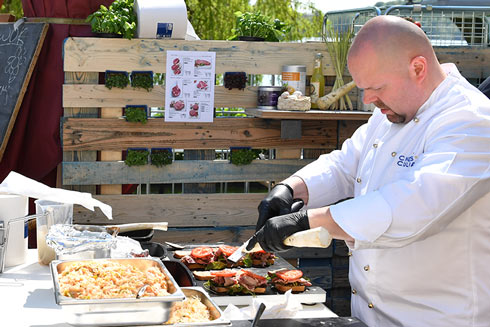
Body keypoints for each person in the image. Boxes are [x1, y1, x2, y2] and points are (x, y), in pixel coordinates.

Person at [247, 16, 490, 327]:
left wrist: (307, 221)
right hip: (369, 316)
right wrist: (291, 189)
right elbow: (345, 164)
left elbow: (414, 205)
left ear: (418, 68)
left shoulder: (470, 118)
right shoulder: (389, 113)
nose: (367, 100)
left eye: (375, 88)